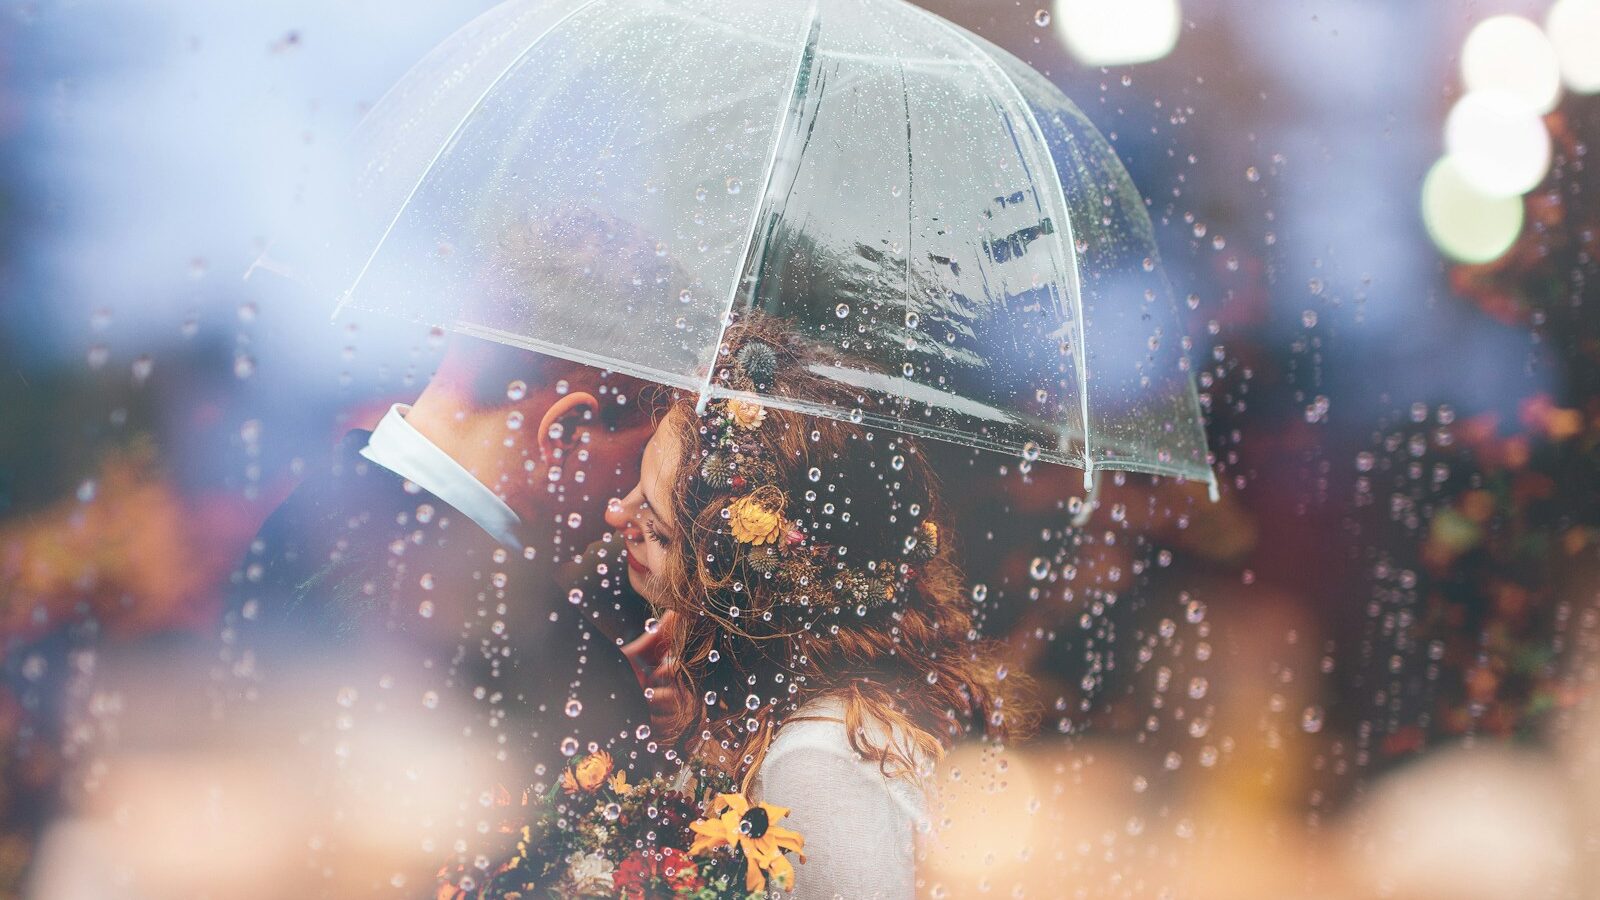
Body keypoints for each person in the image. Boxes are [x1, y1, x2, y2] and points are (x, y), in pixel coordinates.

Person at [606, 317, 1035, 899]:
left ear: (735, 577)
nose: (618, 514)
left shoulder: (815, 761)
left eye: (656, 525)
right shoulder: (818, 706)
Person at [219, 335, 659, 888]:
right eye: (644, 460)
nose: (632, 509)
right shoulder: (559, 665)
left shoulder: (293, 531)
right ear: (567, 433)